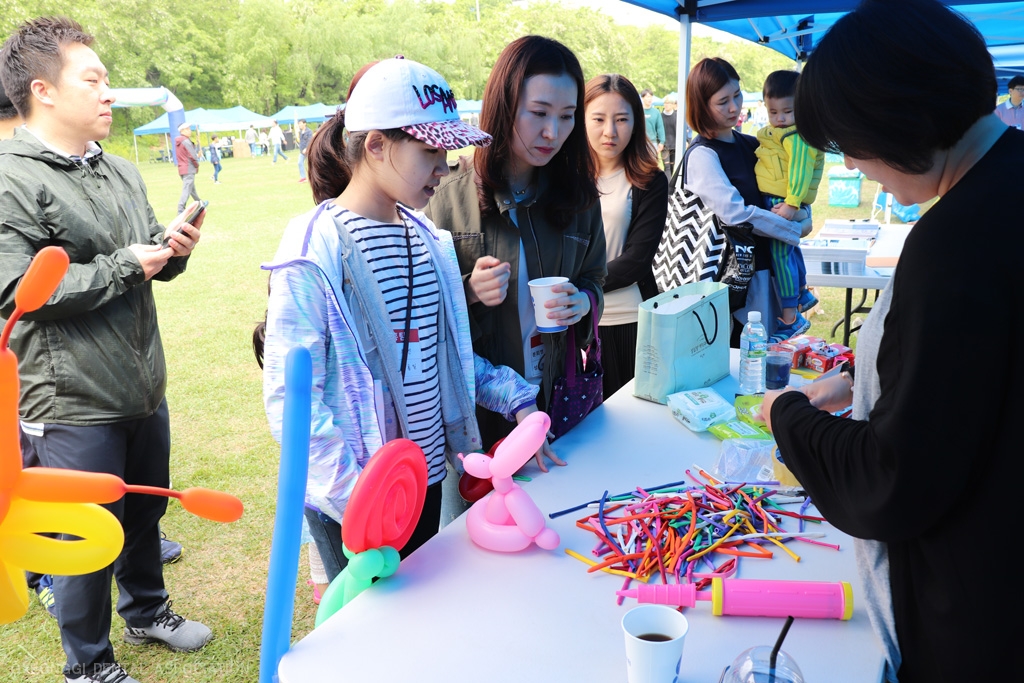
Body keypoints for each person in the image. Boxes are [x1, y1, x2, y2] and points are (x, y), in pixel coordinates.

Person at [761, 1, 1024, 681]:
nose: (853, 162)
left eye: (850, 141)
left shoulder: (954, 246)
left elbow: (893, 479)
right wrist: (872, 374)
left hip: (978, 621)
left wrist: (788, 416)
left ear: (897, 118)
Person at [260, 57, 548, 582]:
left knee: (416, 610)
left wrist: (516, 398)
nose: (445, 166)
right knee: (367, 630)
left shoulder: (431, 243)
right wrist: (358, 500)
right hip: (357, 498)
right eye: (429, 150)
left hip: (425, 481)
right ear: (375, 145)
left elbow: (448, 359)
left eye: (446, 148)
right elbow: (292, 398)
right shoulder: (313, 250)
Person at [0, 16, 209, 683]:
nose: (108, 92)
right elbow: (16, 291)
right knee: (83, 536)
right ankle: (87, 664)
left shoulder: (119, 169)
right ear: (44, 91)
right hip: (69, 398)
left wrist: (168, 251)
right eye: (92, 79)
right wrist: (127, 265)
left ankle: (147, 609)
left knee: (144, 507)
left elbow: (142, 251)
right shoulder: (10, 180)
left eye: (108, 79)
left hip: (142, 383)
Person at [425, 35, 606, 461]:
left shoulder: (579, 198)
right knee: (478, 520)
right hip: (476, 405)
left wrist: (583, 302)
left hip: (554, 393)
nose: (553, 133)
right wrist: (468, 290)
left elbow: (595, 277)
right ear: (506, 106)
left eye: (567, 117)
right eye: (539, 113)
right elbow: (414, 314)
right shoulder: (446, 196)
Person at [683, 57, 803, 344]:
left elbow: (786, 191)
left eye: (737, 95)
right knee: (743, 364)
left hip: (769, 271)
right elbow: (734, 213)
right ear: (701, 105)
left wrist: (801, 215)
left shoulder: (753, 144)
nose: (735, 107)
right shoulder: (702, 154)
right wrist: (793, 228)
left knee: (771, 359)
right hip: (733, 281)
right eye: (722, 101)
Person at [583, 74, 668, 398]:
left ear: (636, 121)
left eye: (621, 119)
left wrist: (580, 290)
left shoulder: (649, 180)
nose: (610, 131)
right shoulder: (563, 180)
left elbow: (637, 260)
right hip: (570, 327)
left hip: (628, 323)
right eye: (599, 119)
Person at [753, 70, 823, 342]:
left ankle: (790, 318)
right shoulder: (780, 133)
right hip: (781, 200)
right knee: (790, 250)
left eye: (787, 112)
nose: (780, 119)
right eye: (773, 112)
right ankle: (802, 292)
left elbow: (800, 173)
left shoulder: (797, 136)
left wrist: (792, 205)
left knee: (781, 257)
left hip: (783, 202)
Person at [174, 121, 202, 214]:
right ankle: (181, 208)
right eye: (188, 129)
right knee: (187, 189)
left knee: (191, 188)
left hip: (182, 168)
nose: (190, 131)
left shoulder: (179, 141)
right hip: (189, 168)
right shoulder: (186, 141)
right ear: (183, 130)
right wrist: (197, 164)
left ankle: (199, 203)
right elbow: (192, 155)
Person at [640, 88, 664, 158]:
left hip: (652, 143)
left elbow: (660, 127)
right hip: (640, 142)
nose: (649, 99)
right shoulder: (638, 111)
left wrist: (662, 141)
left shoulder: (656, 112)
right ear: (643, 98)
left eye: (651, 97)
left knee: (652, 164)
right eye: (647, 97)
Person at [660, 93, 678, 177]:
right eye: (665, 103)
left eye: (668, 103)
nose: (666, 105)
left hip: (674, 145)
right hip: (665, 145)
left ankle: (669, 186)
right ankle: (669, 188)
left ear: (672, 104)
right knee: (667, 167)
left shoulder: (676, 116)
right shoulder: (660, 116)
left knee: (672, 166)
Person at [296, 118, 312, 182]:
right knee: (300, 163)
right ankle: (303, 177)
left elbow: (310, 141)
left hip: (308, 151)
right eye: (298, 124)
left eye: (300, 123)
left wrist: (306, 148)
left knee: (311, 165)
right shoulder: (300, 132)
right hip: (302, 152)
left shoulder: (309, 131)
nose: (299, 125)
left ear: (304, 124)